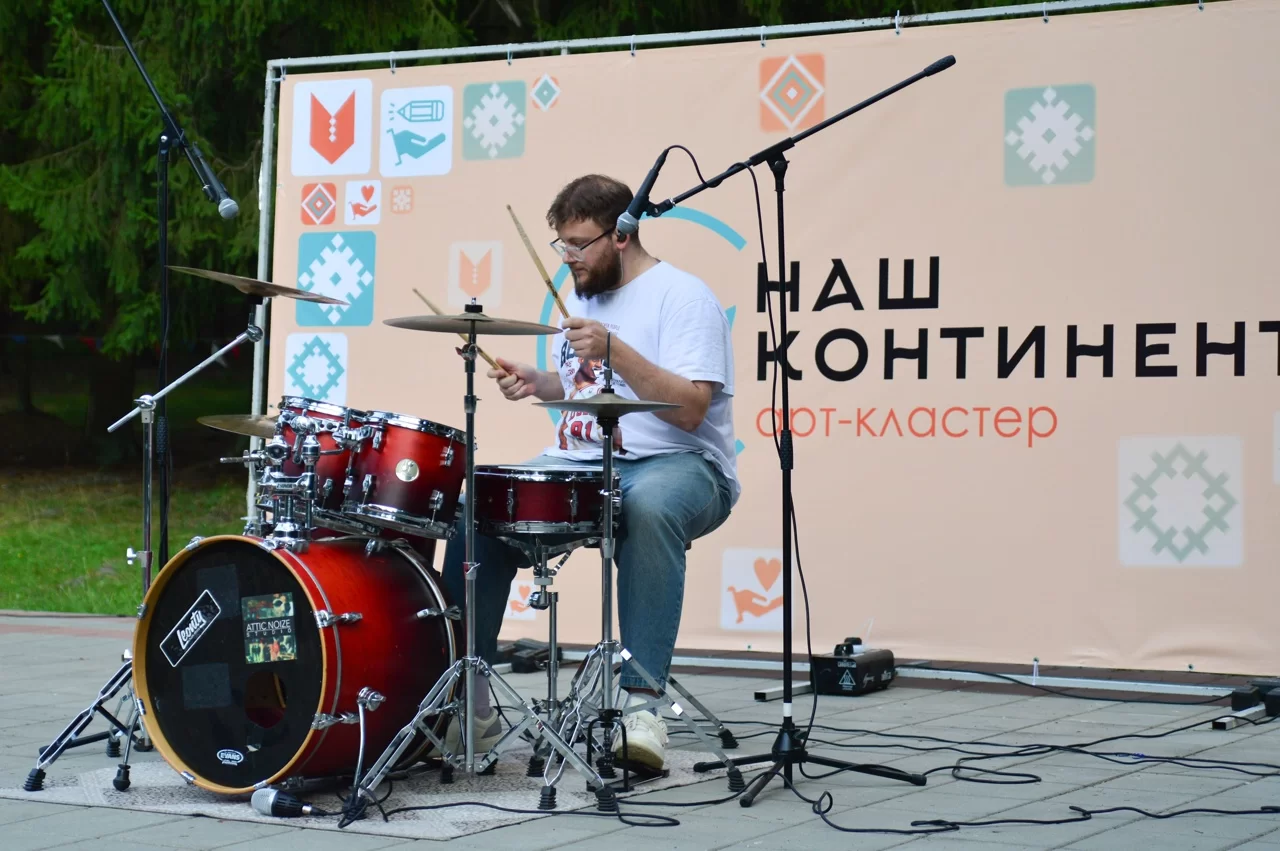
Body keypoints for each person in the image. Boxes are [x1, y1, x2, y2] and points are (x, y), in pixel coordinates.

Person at [439, 174, 740, 771]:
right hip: (579, 462)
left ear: (622, 235)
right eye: (562, 245)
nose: (568, 257)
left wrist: (615, 350)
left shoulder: (683, 297)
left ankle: (642, 709)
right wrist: (539, 382)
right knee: (479, 503)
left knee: (648, 507)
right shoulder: (582, 297)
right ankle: (469, 704)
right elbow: (588, 390)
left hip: (679, 463)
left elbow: (691, 408)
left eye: (579, 244)